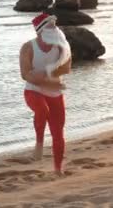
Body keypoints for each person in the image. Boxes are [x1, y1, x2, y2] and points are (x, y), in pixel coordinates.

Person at [19, 13, 72, 175]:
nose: (54, 29)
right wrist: (46, 80)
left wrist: (45, 74)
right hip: (33, 91)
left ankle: (57, 169)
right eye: (50, 27)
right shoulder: (28, 47)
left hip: (55, 94)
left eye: (55, 26)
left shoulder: (62, 47)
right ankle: (39, 144)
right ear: (40, 30)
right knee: (42, 110)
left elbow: (66, 68)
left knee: (58, 134)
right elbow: (25, 74)